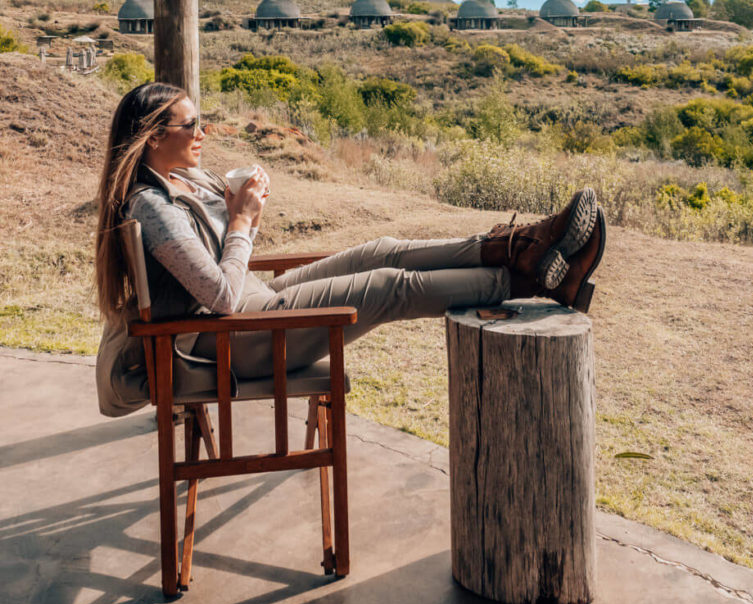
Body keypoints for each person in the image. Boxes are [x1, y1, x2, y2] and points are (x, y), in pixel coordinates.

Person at [95, 82, 606, 416]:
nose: (202, 133)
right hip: (224, 340)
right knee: (387, 287)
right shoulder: (151, 206)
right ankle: (532, 278)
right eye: (191, 125)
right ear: (153, 137)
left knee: (378, 251)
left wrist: (239, 203)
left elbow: (225, 255)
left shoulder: (180, 178)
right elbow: (222, 295)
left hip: (249, 307)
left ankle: (515, 246)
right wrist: (244, 222)